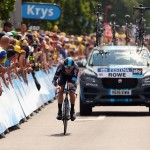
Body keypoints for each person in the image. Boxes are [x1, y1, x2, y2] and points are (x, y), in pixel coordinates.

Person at [52, 57, 79, 121]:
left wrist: (72, 83)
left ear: (73, 67)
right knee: (60, 91)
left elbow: (74, 80)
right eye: (67, 68)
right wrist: (57, 85)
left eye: (70, 68)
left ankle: (72, 111)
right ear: (64, 66)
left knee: (72, 92)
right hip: (63, 77)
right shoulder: (60, 66)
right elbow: (53, 80)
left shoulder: (75, 68)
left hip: (72, 78)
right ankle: (59, 111)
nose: (69, 70)